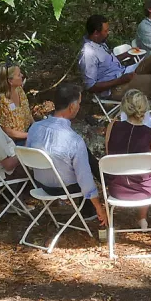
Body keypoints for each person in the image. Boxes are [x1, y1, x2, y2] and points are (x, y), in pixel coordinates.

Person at [25, 82, 108, 228]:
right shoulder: (74, 140)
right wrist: (99, 207)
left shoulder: (34, 128)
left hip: (40, 184)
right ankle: (102, 194)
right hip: (64, 188)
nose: (79, 107)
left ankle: (102, 190)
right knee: (81, 164)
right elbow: (85, 181)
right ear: (72, 106)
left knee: (80, 157)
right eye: (79, 103)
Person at [103, 89, 151, 229]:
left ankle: (145, 218)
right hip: (145, 191)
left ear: (124, 107)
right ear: (146, 110)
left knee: (144, 174)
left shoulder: (112, 126)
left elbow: (110, 158)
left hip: (117, 189)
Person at [79, 14, 151, 106]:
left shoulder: (99, 43)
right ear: (96, 33)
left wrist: (126, 54)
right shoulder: (88, 54)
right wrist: (120, 80)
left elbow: (108, 63)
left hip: (125, 72)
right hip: (116, 87)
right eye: (105, 31)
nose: (108, 33)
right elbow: (91, 87)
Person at [0, 62, 33, 141]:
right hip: (14, 142)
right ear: (10, 81)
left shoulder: (19, 90)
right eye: (18, 75)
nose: (22, 75)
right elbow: (6, 130)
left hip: (28, 132)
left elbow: (27, 112)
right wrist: (30, 135)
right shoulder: (1, 101)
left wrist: (36, 127)